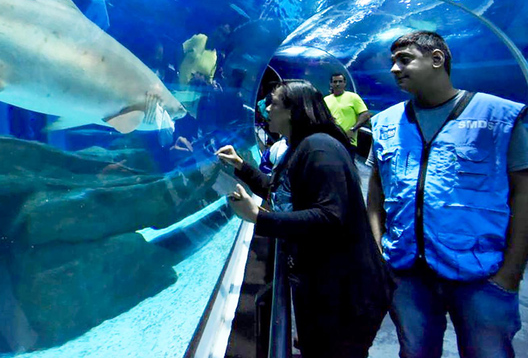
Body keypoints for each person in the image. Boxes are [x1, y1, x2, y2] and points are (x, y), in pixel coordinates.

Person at [366, 31, 528, 358]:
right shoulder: (384, 123)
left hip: (482, 274)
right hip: (406, 272)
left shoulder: (496, 118)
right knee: (415, 352)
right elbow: (375, 194)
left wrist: (511, 272)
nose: (395, 69)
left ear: (437, 59)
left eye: (405, 59)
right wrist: (379, 252)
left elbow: (524, 193)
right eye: (392, 62)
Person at [217, 80, 393, 358]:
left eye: (273, 102)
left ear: (292, 110)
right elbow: (283, 190)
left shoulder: (319, 149)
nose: (266, 107)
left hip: (345, 294)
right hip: (324, 287)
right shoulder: (298, 147)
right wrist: (242, 166)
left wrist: (258, 218)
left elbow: (330, 216)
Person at [324, 72, 370, 149]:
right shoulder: (326, 100)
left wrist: (353, 129)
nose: (338, 84)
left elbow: (365, 115)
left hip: (348, 141)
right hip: (331, 141)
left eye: (340, 81)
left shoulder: (353, 97)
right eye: (335, 82)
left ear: (345, 83)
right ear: (331, 84)